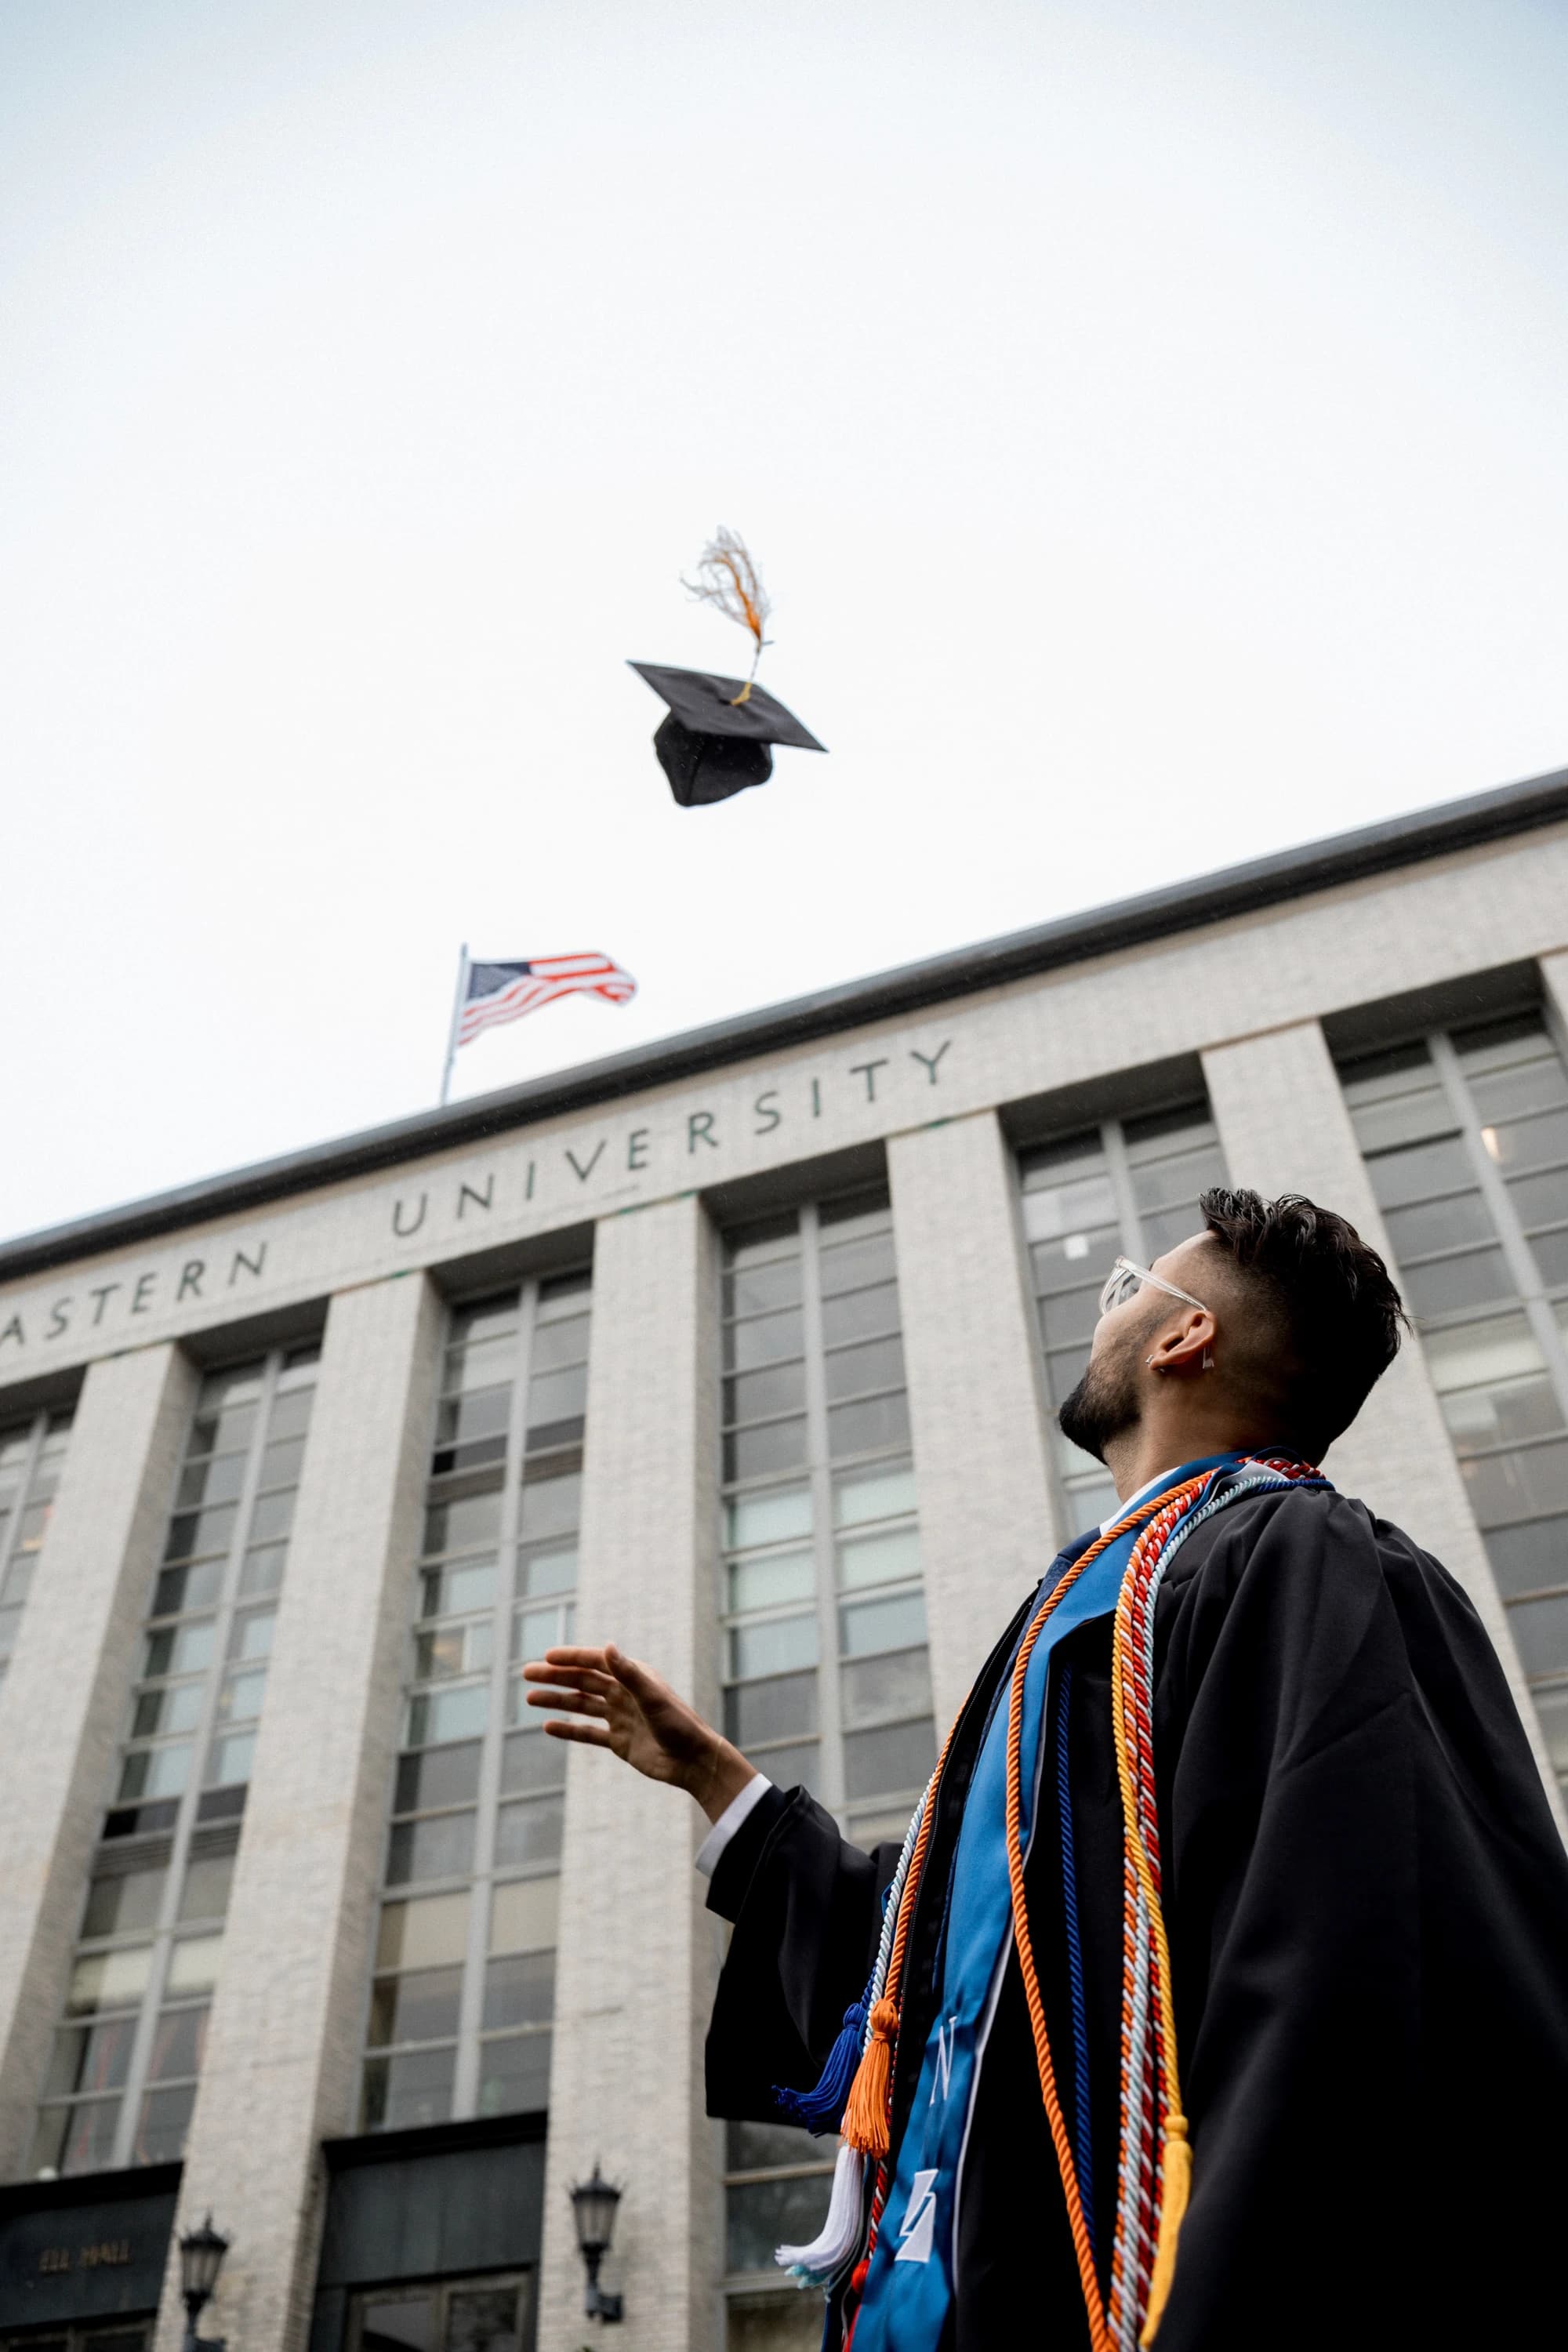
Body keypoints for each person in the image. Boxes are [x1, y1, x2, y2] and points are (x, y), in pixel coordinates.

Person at [524, 1189, 1568, 2350]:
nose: (1100, 1314)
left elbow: (1365, 1977)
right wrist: (727, 1793)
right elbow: (969, 1979)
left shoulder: (1300, 1561)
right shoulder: (1083, 1611)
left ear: (1185, 1338)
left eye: (1130, 1287)